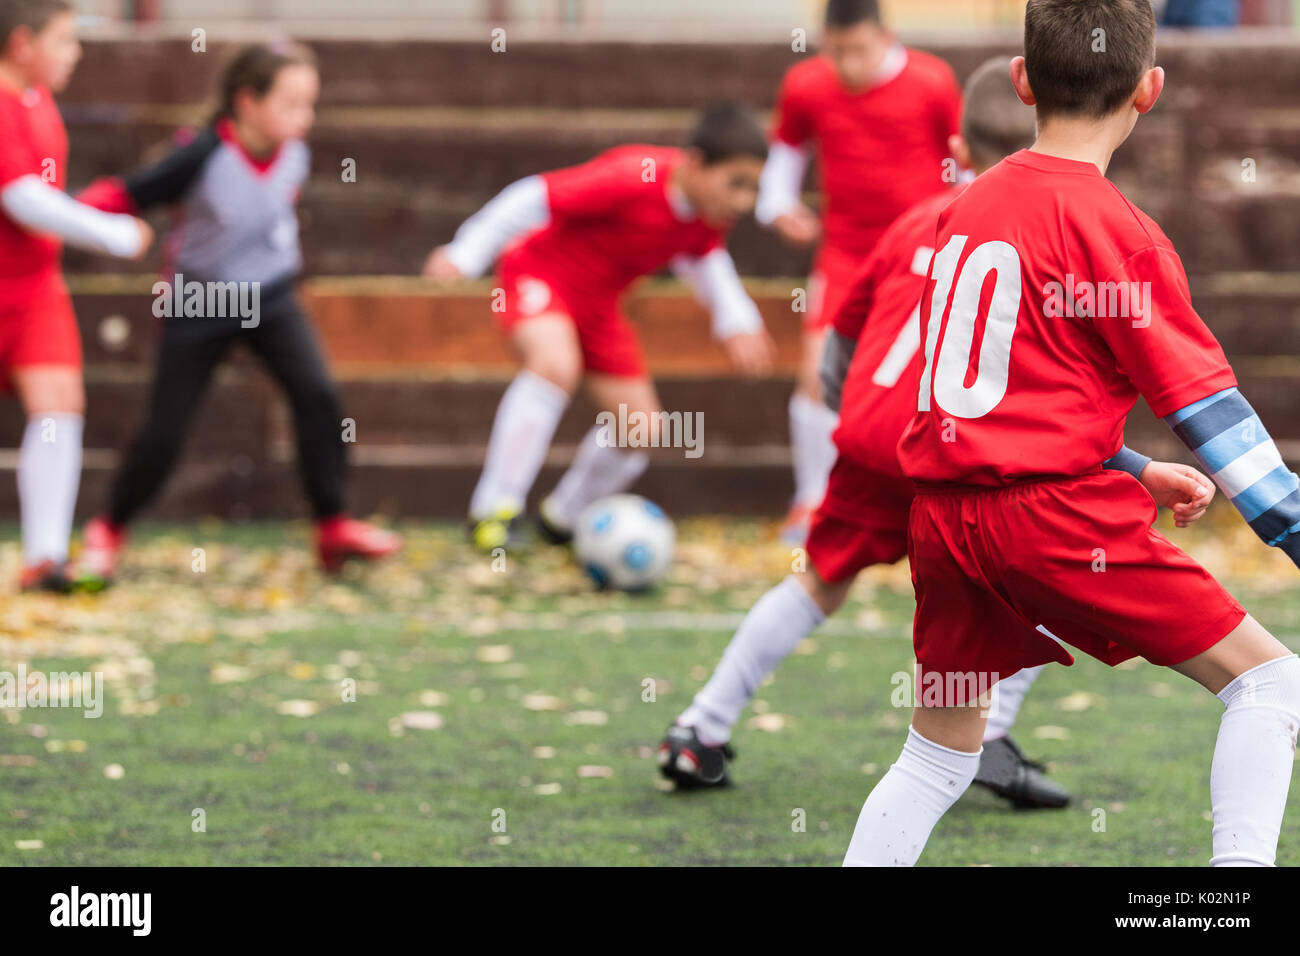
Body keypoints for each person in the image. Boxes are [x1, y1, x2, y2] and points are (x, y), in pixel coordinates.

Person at [658, 58, 1216, 809]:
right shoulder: (1054, 222)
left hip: (877, 434)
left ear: (956, 148)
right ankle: (986, 737)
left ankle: (701, 726)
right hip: (972, 452)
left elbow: (844, 334)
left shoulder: (922, 219)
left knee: (819, 578)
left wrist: (847, 414)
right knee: (1043, 571)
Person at [844, 0, 1300, 867]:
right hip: (1048, 521)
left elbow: (994, 392)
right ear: (1149, 91)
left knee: (937, 754)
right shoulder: (1118, 233)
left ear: (1022, 81)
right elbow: (1211, 412)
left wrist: (1127, 465)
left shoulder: (968, 205)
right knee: (1276, 683)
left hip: (944, 520)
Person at [75, 41, 400, 582]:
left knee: (318, 396)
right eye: (293, 104)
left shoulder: (294, 151)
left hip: (270, 296)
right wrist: (55, 214)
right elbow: (124, 195)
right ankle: (107, 530)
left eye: (310, 104)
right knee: (166, 428)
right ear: (247, 103)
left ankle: (332, 525)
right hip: (201, 300)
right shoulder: (200, 155)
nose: (306, 118)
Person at [424, 105, 776, 553]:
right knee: (555, 364)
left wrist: (736, 320)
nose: (744, 201)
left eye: (754, 188)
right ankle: (493, 512)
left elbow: (703, 261)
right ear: (694, 164)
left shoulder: (704, 217)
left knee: (641, 428)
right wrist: (467, 250)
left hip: (599, 306)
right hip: (539, 273)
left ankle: (562, 520)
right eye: (736, 183)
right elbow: (534, 196)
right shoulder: (635, 178)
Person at [755, 0, 962, 542]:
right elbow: (785, 156)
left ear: (886, 36)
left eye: (859, 50)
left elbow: (964, 164)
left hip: (922, 255)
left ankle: (931, 502)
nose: (847, 64)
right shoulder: (806, 85)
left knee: (929, 378)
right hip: (845, 254)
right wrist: (778, 207)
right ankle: (811, 503)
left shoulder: (932, 81)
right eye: (836, 50)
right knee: (818, 374)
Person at [0, 0, 153, 592]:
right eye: (63, 39)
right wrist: (112, 234)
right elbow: (18, 196)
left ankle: (44, 557)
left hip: (36, 288)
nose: (75, 52)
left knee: (59, 403)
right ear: (21, 44)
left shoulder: (39, 101)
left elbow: (42, 193)